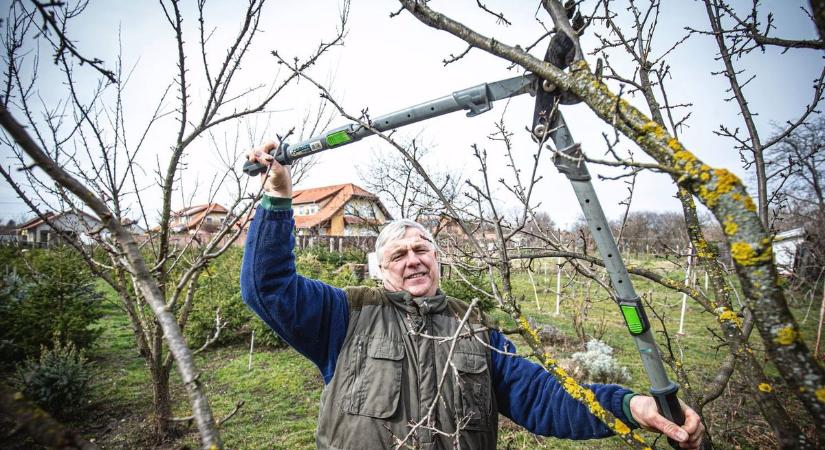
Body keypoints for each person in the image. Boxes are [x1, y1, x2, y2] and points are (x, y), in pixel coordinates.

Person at [241, 141, 704, 450]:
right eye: (398, 254)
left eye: (422, 249)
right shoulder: (344, 314)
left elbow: (542, 396)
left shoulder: (476, 329)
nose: (413, 259)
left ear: (438, 259)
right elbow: (268, 287)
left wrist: (630, 406)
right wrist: (278, 197)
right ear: (380, 269)